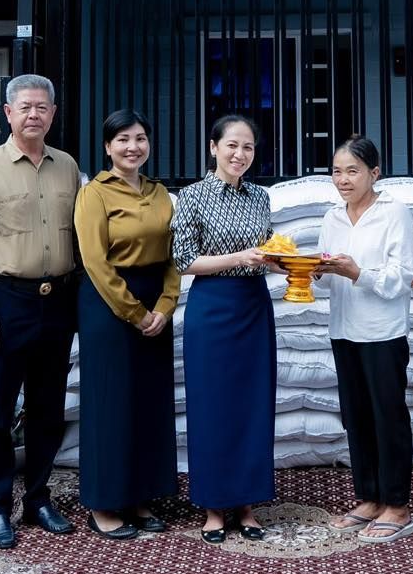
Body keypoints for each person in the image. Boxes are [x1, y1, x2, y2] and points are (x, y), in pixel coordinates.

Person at [0, 75, 82, 550]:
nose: (34, 115)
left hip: (58, 300)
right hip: (8, 298)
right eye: (25, 107)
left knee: (48, 407)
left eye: (42, 107)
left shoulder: (67, 167)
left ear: (53, 114)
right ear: (8, 113)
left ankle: (37, 498)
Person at [74, 109, 180, 540]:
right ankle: (103, 503)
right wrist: (136, 312)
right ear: (107, 147)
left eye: (140, 139)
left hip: (156, 303)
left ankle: (140, 496)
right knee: (110, 403)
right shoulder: (94, 194)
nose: (133, 147)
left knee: (148, 403)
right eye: (123, 140)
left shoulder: (160, 193)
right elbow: (95, 262)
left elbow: (176, 253)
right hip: (109, 304)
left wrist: (165, 306)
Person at [172, 113, 277, 543]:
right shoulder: (192, 196)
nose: (240, 154)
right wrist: (239, 258)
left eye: (248, 147)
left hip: (254, 306)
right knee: (211, 405)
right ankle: (213, 505)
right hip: (212, 307)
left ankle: (247, 503)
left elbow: (268, 251)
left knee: (253, 405)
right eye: (232, 145)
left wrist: (293, 264)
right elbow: (183, 260)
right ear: (213, 147)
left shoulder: (260, 197)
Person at [316, 136, 413, 544]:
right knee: (355, 415)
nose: (343, 179)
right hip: (344, 328)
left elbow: (402, 276)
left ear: (374, 173)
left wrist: (358, 273)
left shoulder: (393, 213)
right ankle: (370, 498)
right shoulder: (332, 218)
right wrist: (312, 271)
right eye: (337, 171)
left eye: (352, 171)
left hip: (382, 331)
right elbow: (326, 276)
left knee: (387, 415)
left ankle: (398, 506)